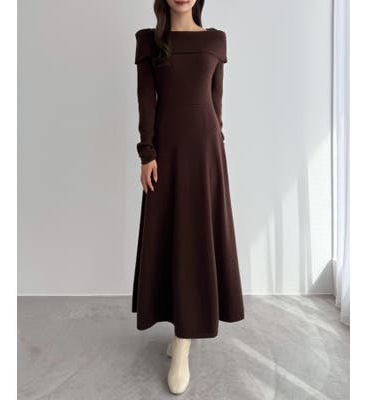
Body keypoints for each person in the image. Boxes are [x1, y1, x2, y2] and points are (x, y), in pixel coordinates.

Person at [132, 0, 245, 394]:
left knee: (199, 236)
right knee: (170, 235)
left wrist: (217, 150)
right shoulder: (149, 40)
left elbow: (216, 103)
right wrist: (147, 153)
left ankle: (184, 341)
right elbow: (146, 100)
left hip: (207, 152)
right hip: (167, 151)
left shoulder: (216, 40)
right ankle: (180, 331)